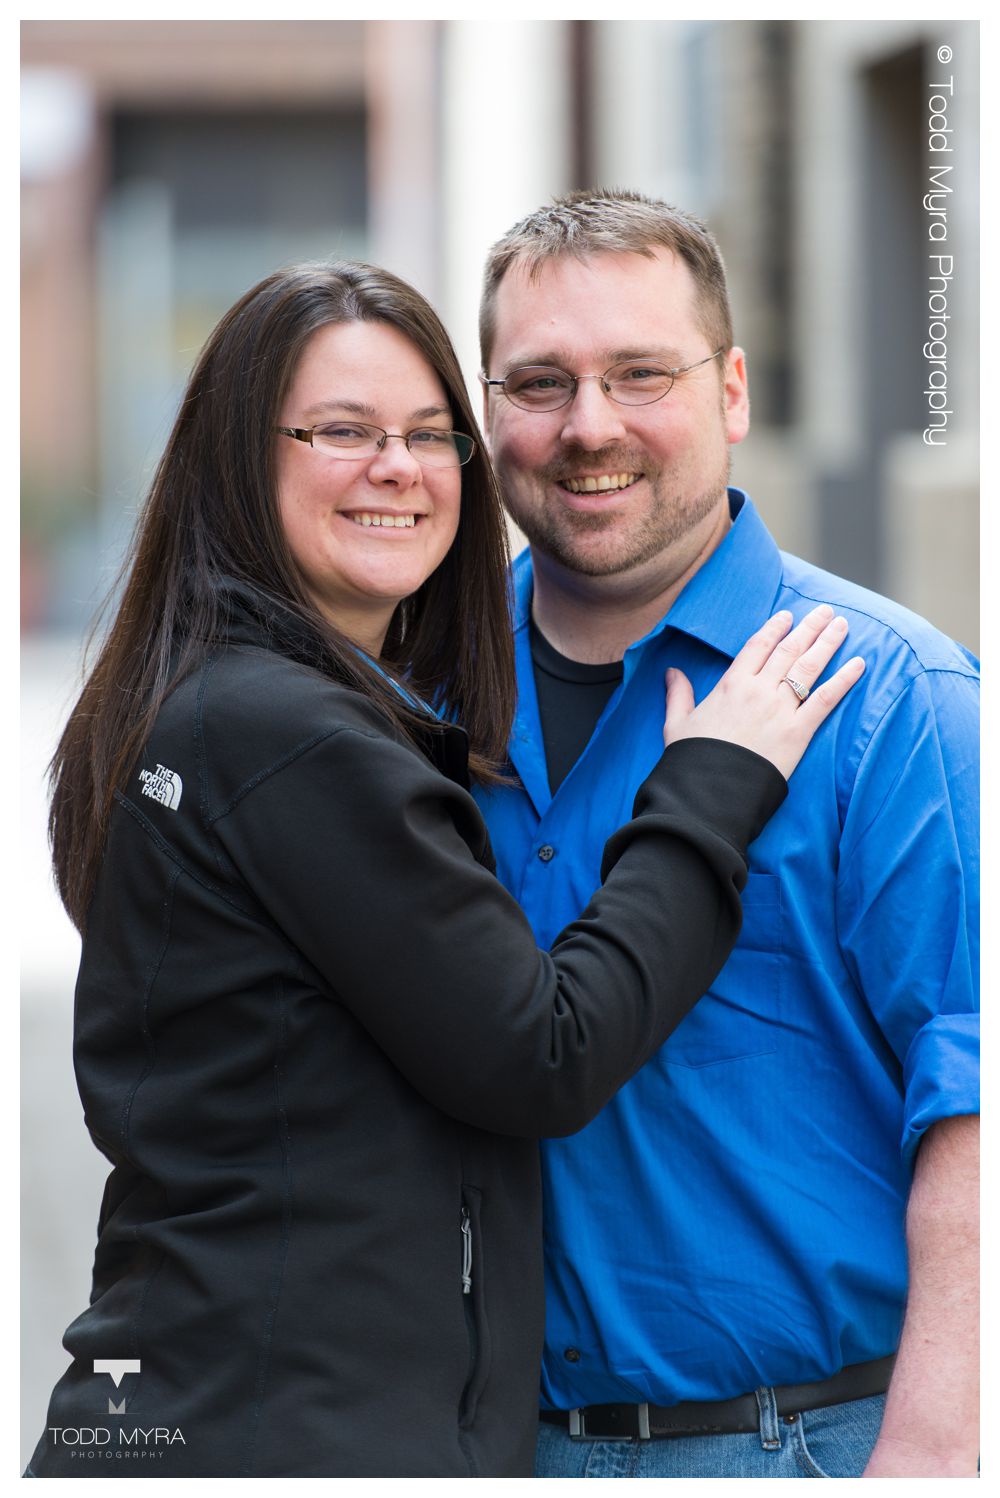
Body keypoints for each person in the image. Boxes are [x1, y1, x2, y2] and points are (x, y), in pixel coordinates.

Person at [28, 261, 861, 1479]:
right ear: (235, 459)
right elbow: (544, 1051)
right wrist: (711, 785)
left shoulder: (231, 704)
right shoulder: (287, 735)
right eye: (341, 432)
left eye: (429, 435)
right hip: (278, 1434)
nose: (398, 468)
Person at [474, 189, 979, 1480]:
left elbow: (977, 1120)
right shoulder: (422, 700)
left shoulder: (899, 706)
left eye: (641, 373)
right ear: (488, 410)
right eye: (541, 382)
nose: (590, 426)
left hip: (803, 1442)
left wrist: (928, 1459)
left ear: (732, 390)